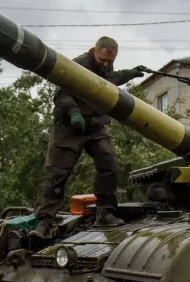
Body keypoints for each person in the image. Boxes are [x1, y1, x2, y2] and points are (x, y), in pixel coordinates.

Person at [30, 36, 145, 239]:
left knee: (109, 163)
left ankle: (105, 213)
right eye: (103, 60)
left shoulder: (106, 67)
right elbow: (61, 94)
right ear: (94, 51)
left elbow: (110, 81)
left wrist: (131, 73)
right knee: (57, 174)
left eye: (111, 61)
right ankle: (44, 223)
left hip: (95, 126)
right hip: (69, 127)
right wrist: (73, 112)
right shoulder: (78, 65)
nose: (107, 64)